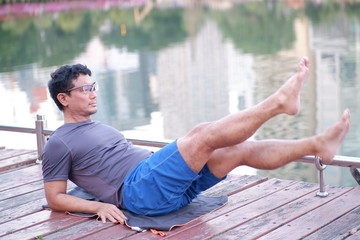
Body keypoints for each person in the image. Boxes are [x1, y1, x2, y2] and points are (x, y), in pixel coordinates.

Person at [42, 57, 351, 225]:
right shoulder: (59, 142)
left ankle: (317, 145)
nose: (93, 92)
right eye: (85, 89)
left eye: (93, 86)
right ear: (64, 98)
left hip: (164, 186)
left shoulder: (99, 126)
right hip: (140, 192)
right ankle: (279, 102)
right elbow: (55, 196)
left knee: (236, 149)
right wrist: (97, 209)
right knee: (203, 134)